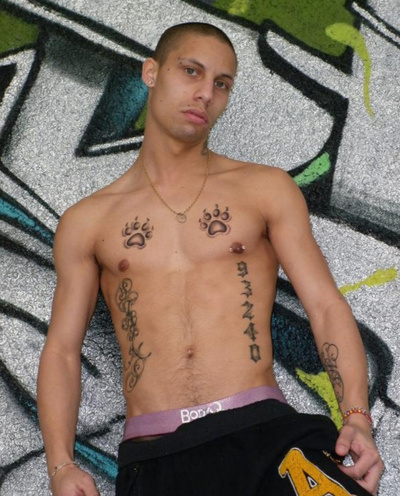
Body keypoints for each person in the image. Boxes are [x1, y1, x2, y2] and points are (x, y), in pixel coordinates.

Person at [37, 22, 384, 496]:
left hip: (268, 440)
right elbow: (61, 350)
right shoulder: (88, 221)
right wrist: (60, 464)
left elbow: (324, 305)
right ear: (151, 72)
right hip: (157, 459)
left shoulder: (264, 189)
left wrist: (357, 417)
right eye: (191, 71)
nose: (205, 93)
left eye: (221, 84)